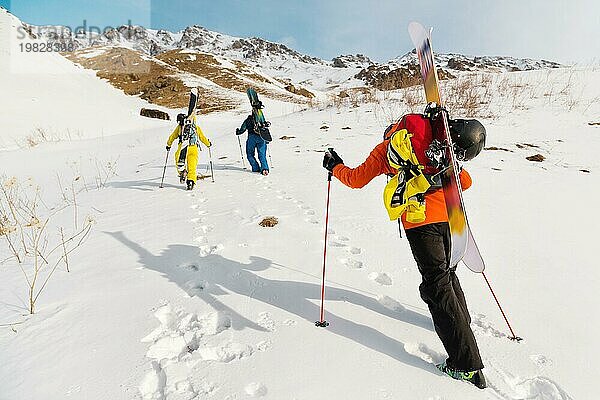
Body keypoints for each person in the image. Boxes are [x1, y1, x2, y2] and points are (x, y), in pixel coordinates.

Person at [322, 107, 487, 389]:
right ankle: (463, 321)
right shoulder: (439, 143)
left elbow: (356, 179)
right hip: (452, 218)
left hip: (421, 223)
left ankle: (466, 365)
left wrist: (334, 166)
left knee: (436, 286)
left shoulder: (387, 150)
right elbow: (466, 182)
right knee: (447, 275)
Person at [166, 113, 212, 190]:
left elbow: (172, 136)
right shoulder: (196, 128)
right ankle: (190, 182)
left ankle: (182, 172)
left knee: (178, 161)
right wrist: (208, 144)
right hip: (193, 148)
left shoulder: (180, 128)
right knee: (192, 166)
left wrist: (168, 145)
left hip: (183, 148)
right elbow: (202, 138)